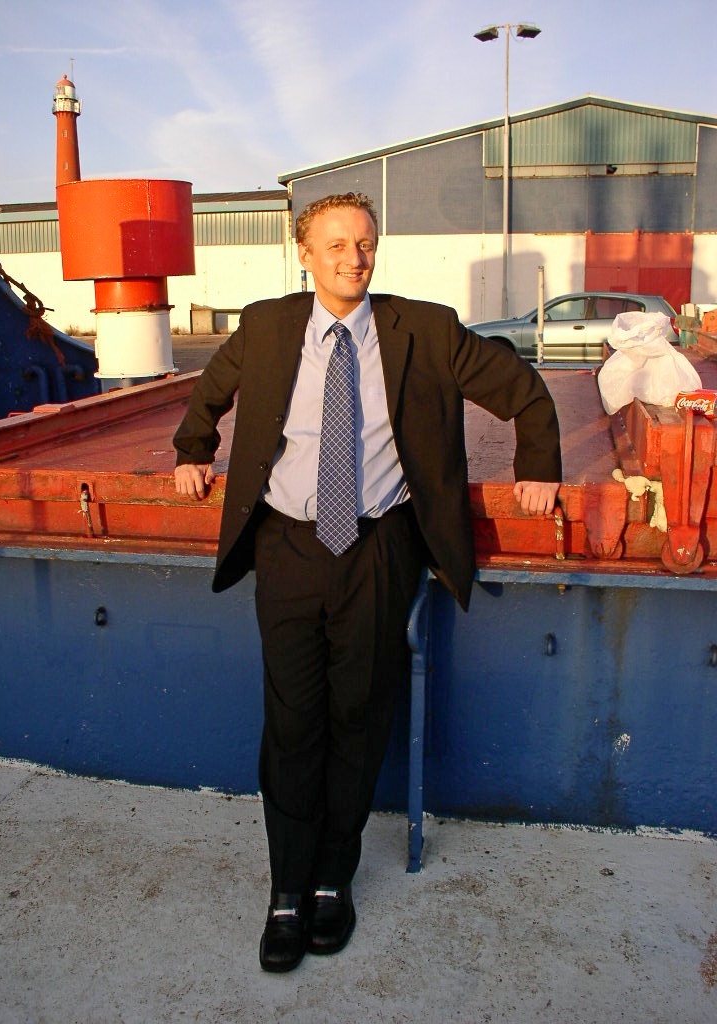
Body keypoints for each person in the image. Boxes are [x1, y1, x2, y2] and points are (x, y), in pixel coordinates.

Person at [173, 192, 561, 973]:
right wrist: (193, 449)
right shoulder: (267, 326)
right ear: (305, 255)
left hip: (380, 549)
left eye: (366, 243)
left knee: (358, 719)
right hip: (288, 548)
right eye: (338, 245)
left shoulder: (426, 329)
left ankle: (332, 882)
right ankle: (286, 892)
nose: (356, 258)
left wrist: (538, 467)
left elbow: (523, 389)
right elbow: (209, 392)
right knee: (292, 724)